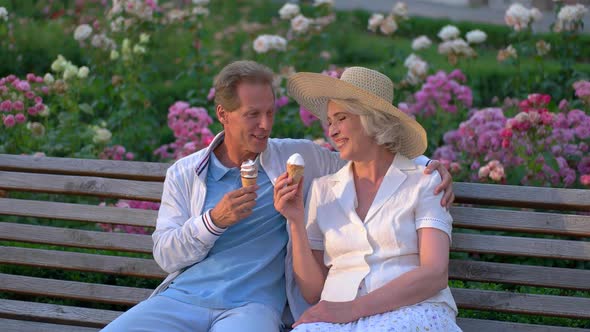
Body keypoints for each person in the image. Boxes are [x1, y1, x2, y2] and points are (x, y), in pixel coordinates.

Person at [102, 61, 454, 332]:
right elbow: (165, 254)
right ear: (222, 114)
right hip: (183, 298)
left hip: (252, 307)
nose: (265, 125)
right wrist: (212, 222)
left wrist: (429, 166)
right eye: (252, 114)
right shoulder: (184, 174)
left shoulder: (296, 160)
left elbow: (369, 154)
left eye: (270, 112)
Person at [273, 67, 461, 331]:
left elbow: (434, 273)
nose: (332, 131)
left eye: (341, 118)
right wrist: (294, 220)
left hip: (411, 310)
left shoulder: (425, 180)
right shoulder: (323, 189)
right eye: (329, 122)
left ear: (371, 119)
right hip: (338, 316)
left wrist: (350, 310)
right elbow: (313, 292)